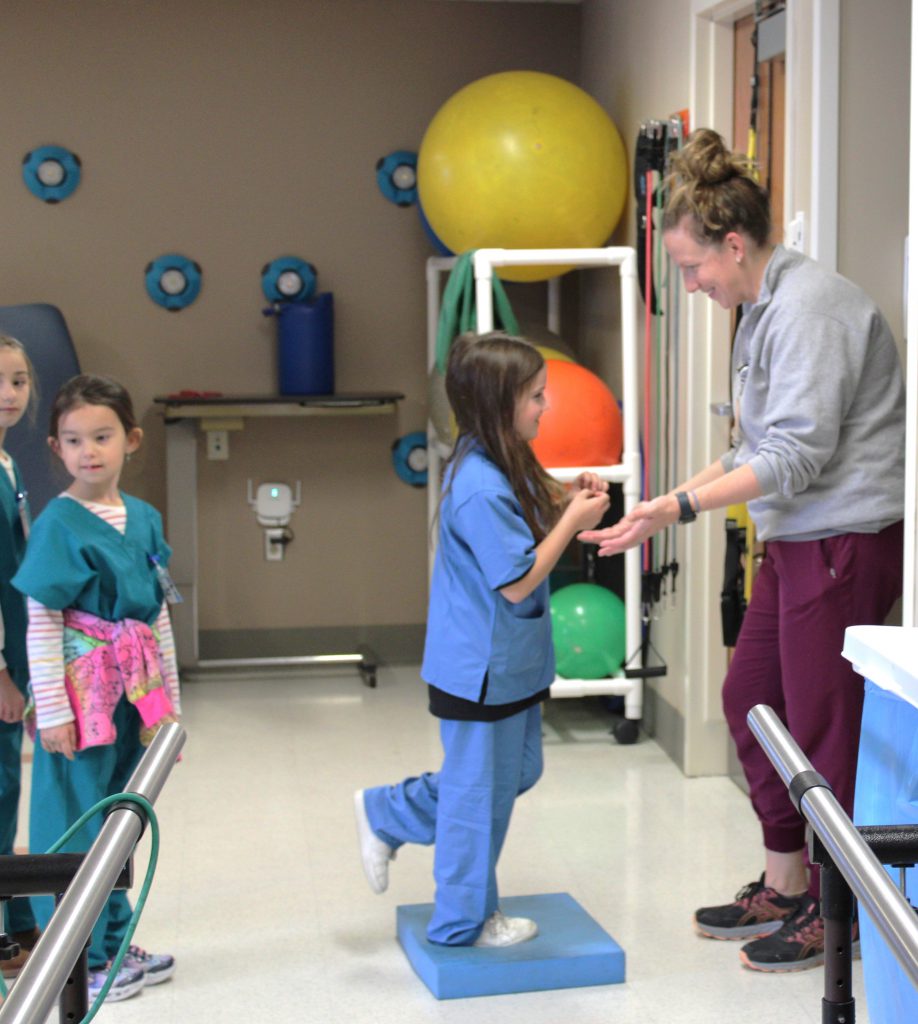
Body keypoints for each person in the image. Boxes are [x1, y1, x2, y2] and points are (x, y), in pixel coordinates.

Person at [580, 128, 905, 973]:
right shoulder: (763, 310)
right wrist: (663, 508)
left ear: (734, 243)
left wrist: (684, 503)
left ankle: (840, 917)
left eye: (694, 267)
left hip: (843, 542)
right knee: (751, 701)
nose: (690, 284)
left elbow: (794, 456)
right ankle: (787, 883)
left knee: (824, 732)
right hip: (797, 541)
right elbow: (751, 449)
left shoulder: (811, 307)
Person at [355, 332, 610, 947]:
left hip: (510, 664)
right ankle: (462, 923)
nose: (545, 408)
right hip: (480, 670)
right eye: (535, 398)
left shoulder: (500, 457)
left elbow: (527, 516)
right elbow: (518, 581)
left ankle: (389, 811)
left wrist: (565, 497)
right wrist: (574, 522)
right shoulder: (478, 485)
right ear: (500, 405)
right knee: (475, 802)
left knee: (515, 772)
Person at [12, 374, 182, 1003]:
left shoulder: (143, 518)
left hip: (134, 692)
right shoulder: (60, 523)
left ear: (131, 440)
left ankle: (114, 938)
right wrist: (52, 712)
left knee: (124, 816)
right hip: (81, 697)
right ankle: (78, 956)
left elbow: (157, 614)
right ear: (56, 448)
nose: (89, 450)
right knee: (81, 819)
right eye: (73, 439)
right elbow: (41, 621)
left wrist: (167, 705)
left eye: (102, 436)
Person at [0, 336, 40, 979]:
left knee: (8, 791)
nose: (9, 395)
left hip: (18, 655)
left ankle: (18, 921)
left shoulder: (7, 463)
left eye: (18, 380)